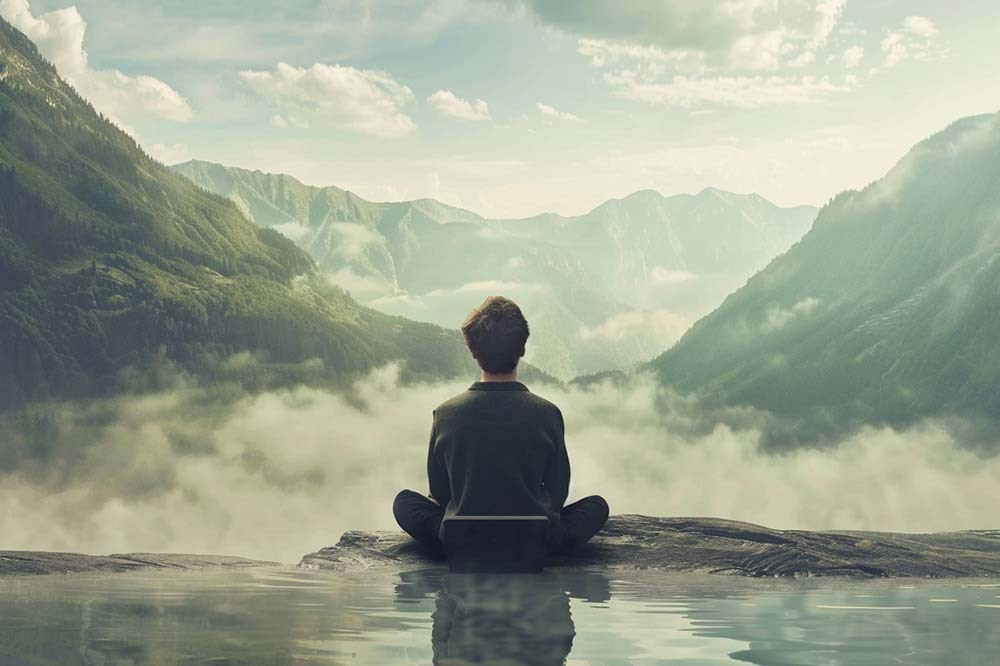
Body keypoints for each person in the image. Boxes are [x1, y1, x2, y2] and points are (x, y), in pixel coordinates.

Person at [393, 295, 609, 558]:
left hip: (462, 539)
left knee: (404, 502)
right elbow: (558, 492)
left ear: (473, 351)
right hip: (535, 540)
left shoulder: (445, 414)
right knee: (596, 507)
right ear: (522, 349)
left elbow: (440, 493)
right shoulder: (548, 413)